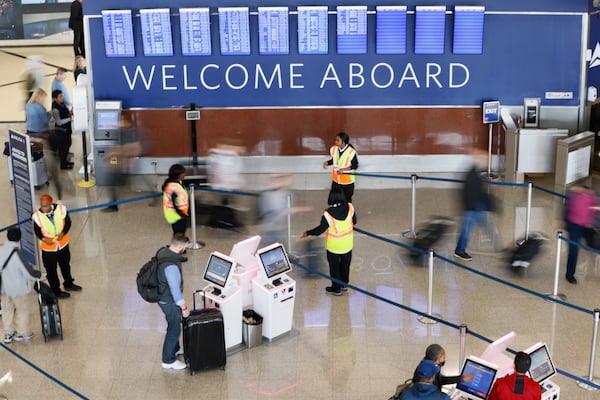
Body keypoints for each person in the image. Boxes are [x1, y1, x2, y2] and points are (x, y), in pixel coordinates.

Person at [302, 187, 356, 296]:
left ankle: (336, 288)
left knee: (334, 268)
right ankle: (344, 284)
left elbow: (319, 230)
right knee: (345, 265)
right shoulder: (350, 207)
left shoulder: (328, 214)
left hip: (334, 247)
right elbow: (354, 221)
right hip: (347, 244)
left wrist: (308, 232)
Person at [32, 194, 82, 299]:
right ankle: (56, 291)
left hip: (62, 245)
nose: (43, 208)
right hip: (48, 249)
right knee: (51, 270)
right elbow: (38, 232)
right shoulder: (37, 216)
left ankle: (68, 283)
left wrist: (63, 233)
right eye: (42, 206)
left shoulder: (61, 209)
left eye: (45, 205)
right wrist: (45, 239)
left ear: (51, 204)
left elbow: (68, 223)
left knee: (65, 265)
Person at [453, 150, 499, 261]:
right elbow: (468, 194)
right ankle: (459, 251)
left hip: (475, 207)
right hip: (471, 209)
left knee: (486, 225)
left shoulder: (475, 173)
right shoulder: (472, 176)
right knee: (466, 230)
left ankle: (498, 246)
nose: (487, 162)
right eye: (484, 160)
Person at [0, 228, 42, 344]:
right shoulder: (18, 253)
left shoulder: (1, 250)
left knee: (7, 310)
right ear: (19, 238)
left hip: (3, 288)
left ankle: (8, 334)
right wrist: (38, 274)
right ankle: (21, 332)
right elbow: (28, 272)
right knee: (22, 310)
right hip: (17, 289)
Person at [156, 234, 190, 370]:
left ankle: (175, 348)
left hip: (160, 294)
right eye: (185, 248)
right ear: (180, 246)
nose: (185, 250)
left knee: (173, 324)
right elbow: (175, 291)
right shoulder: (172, 267)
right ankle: (168, 360)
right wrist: (184, 308)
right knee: (174, 327)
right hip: (168, 300)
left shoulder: (163, 251)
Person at [564, 184, 598, 284]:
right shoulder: (574, 196)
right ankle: (570, 275)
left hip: (587, 227)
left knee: (595, 247)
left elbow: (595, 209)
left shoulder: (591, 197)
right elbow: (566, 210)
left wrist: (591, 222)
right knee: (573, 252)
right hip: (574, 227)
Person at [322, 132, 358, 203]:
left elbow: (355, 165)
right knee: (334, 199)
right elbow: (335, 160)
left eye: (338, 140)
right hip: (336, 180)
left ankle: (348, 212)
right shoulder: (334, 149)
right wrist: (327, 163)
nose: (335, 142)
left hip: (347, 181)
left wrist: (343, 170)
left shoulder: (351, 152)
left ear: (343, 143)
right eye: (336, 140)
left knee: (347, 200)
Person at [162, 164, 190, 236]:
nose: (184, 174)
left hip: (179, 214)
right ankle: (178, 246)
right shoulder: (172, 187)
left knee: (179, 233)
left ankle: (179, 246)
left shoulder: (177, 182)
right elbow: (174, 203)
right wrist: (182, 215)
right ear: (178, 175)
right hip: (177, 215)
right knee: (179, 234)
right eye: (183, 173)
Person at [51, 89, 74, 170]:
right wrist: (70, 118)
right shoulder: (55, 109)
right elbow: (59, 122)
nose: (62, 98)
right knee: (62, 148)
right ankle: (63, 165)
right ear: (55, 98)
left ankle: (65, 161)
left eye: (62, 96)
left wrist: (70, 113)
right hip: (61, 132)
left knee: (68, 144)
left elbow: (66, 113)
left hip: (67, 130)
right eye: (60, 96)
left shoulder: (62, 104)